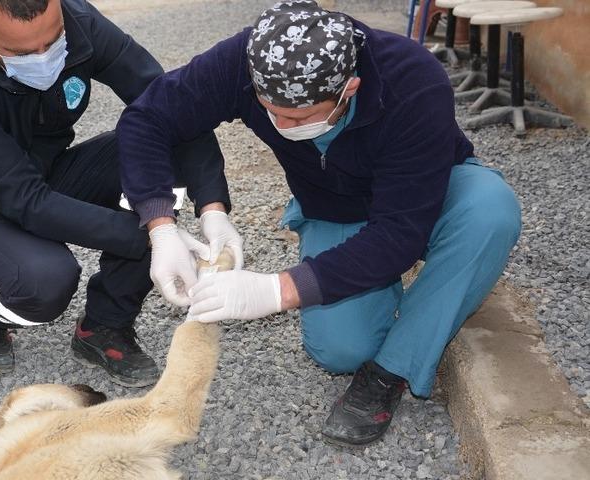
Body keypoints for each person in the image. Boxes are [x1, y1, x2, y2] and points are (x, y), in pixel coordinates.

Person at [116, 0, 521, 445]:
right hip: (336, 205)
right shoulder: (249, 59)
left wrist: (276, 290)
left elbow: (398, 232)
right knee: (342, 349)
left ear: (350, 88)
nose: (281, 124)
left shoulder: (413, 80)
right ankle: (403, 296)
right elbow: (148, 117)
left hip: (426, 194)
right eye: (270, 111)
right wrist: (162, 225)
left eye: (300, 117)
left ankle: (393, 369)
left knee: (490, 210)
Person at [0, 0, 232, 387]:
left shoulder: (77, 20)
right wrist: (155, 232)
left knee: (160, 152)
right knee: (45, 283)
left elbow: (171, 105)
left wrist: (213, 207)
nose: (44, 58)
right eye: (22, 52)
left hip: (44, 174)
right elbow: (23, 200)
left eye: (52, 41)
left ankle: (104, 326)